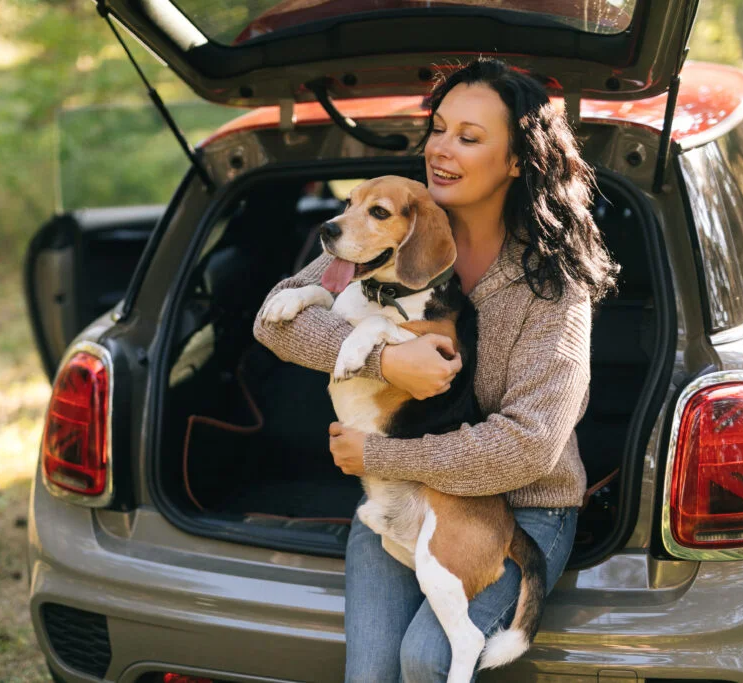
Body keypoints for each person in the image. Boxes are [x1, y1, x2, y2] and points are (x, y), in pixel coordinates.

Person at [252, 57, 618, 682]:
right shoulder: (388, 234)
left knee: (428, 657)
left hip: (520, 510)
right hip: (399, 501)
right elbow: (274, 321)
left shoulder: (555, 289)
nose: (442, 150)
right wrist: (387, 356)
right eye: (440, 129)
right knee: (369, 675)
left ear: (515, 162)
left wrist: (380, 457)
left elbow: (529, 446)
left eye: (469, 138)